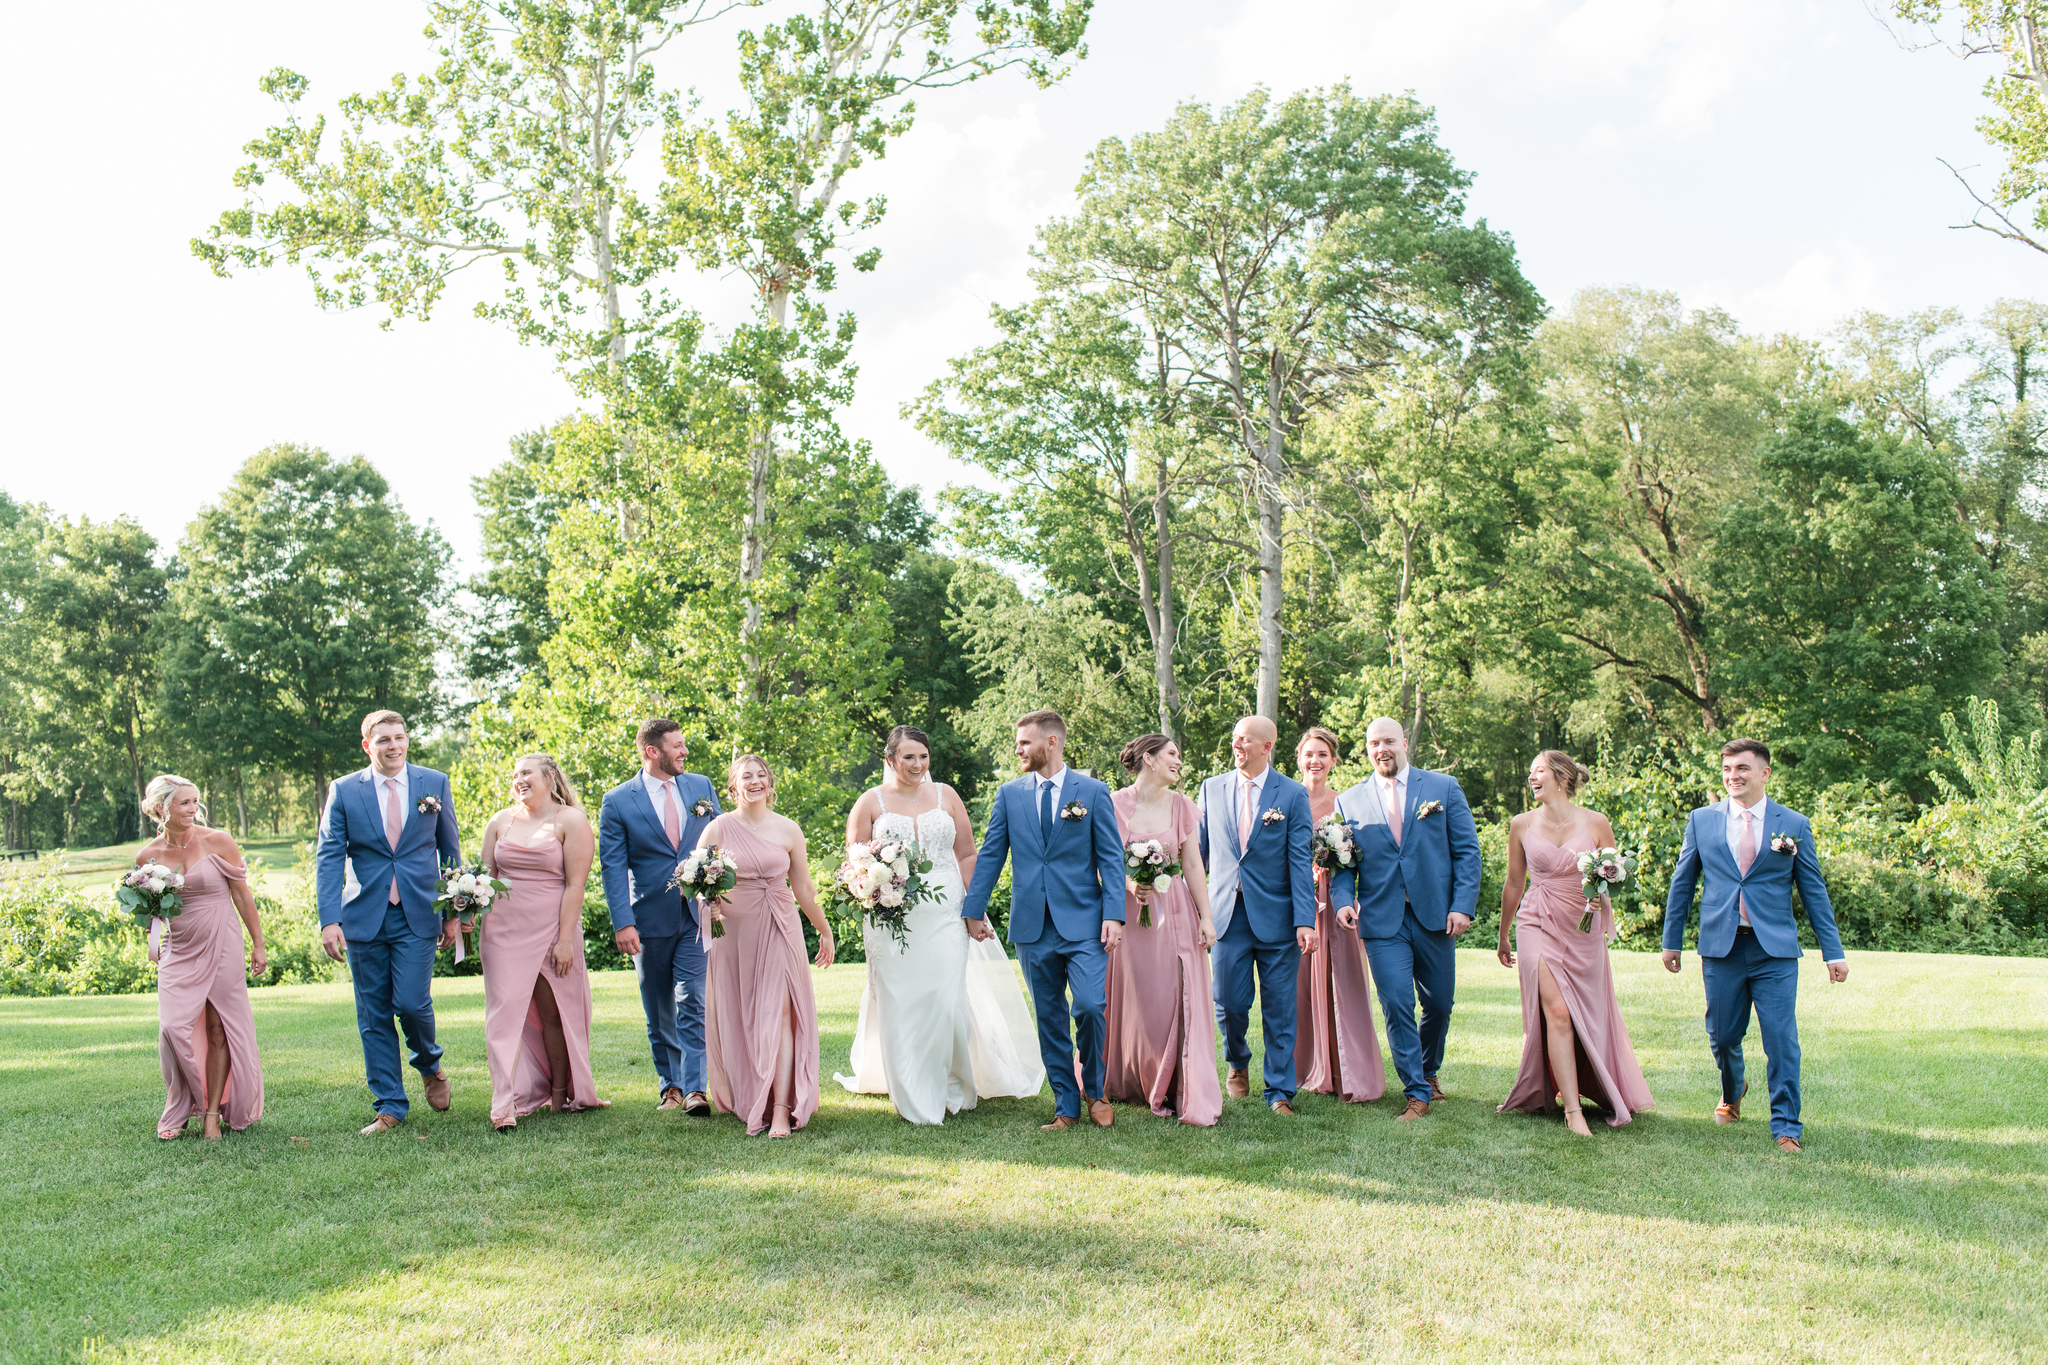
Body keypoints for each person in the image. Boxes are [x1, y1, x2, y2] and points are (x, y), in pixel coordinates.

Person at [835, 725, 1044, 1124]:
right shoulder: (870, 802)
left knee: (947, 1002)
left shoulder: (947, 795)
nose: (917, 764)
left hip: (947, 911)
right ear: (890, 759)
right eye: (908, 757)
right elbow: (854, 863)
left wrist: (975, 907)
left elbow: (967, 854)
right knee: (902, 1001)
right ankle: (912, 1090)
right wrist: (871, 889)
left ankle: (952, 1081)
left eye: (923, 756)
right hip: (892, 916)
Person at [1663, 737, 1848, 1154]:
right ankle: (1734, 1088)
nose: (1733, 777)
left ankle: (1786, 1126)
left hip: (1774, 952)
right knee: (1723, 1035)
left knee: (1781, 1039)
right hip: (1721, 947)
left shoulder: (1794, 825)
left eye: (1742, 768)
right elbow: (1683, 883)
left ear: (1764, 773)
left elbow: (1813, 891)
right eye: (1727, 770)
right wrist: (1671, 941)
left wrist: (1832, 951)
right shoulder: (1702, 820)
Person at [960, 710, 1126, 1130]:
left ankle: (1096, 1088)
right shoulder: (1009, 795)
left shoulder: (1091, 791)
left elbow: (1110, 856)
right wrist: (972, 910)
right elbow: (992, 854)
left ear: (1051, 742)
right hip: (1032, 926)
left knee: (1090, 1005)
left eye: (1024, 743)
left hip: (1085, 922)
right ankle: (1066, 1105)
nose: (1018, 750)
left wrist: (1115, 915)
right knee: (1049, 1015)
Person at [316, 710, 463, 1135]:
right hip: (363, 916)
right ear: (367, 745)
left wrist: (454, 914)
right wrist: (330, 920)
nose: (393, 746)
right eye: (383, 740)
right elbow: (329, 858)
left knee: (412, 1004)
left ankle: (429, 1065)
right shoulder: (344, 790)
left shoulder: (432, 783)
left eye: (399, 738)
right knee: (374, 1013)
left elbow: (449, 850)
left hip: (418, 912)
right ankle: (390, 1106)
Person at [1327, 717, 1481, 1121]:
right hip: (1381, 920)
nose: (1383, 749)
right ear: (1367, 749)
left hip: (1435, 916)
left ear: (1404, 743)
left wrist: (1462, 905)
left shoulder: (1443, 788)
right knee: (1397, 1003)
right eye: (1374, 743)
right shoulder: (1349, 800)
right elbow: (1343, 867)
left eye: (1389, 741)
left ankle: (1428, 1071)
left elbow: (1467, 851)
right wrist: (1343, 900)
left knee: (1440, 1004)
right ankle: (1416, 1092)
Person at [1496, 751, 1654, 1133]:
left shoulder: (1596, 822)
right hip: (1536, 919)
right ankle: (1572, 1113)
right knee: (1558, 1012)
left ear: (1562, 777)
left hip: (1582, 924)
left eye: (1539, 771)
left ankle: (1589, 1086)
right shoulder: (1520, 824)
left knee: (1587, 1012)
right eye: (1531, 772)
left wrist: (1604, 893)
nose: (1532, 777)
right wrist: (1503, 933)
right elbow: (1515, 883)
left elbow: (1613, 875)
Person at [698, 755, 836, 1137]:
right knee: (744, 1013)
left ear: (770, 784)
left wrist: (823, 929)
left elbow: (804, 888)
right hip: (736, 933)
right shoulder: (717, 829)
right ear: (733, 786)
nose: (755, 781)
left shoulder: (789, 830)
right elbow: (699, 884)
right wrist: (705, 906)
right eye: (747, 776)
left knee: (780, 1014)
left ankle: (779, 1108)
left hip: (780, 925)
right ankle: (751, 1092)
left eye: (761, 775)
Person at [475, 753, 609, 1132]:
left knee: (553, 1013)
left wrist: (565, 940)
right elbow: (486, 876)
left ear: (549, 777)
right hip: (502, 931)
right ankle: (504, 1104)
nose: (519, 779)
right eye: (515, 774)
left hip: (553, 926)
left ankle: (558, 1092)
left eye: (526, 773)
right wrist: (468, 907)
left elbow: (575, 885)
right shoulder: (500, 821)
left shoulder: (570, 820)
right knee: (503, 1014)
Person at [598, 718, 723, 1116]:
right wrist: (622, 921)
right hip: (646, 917)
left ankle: (693, 1089)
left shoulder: (701, 786)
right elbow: (613, 867)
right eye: (677, 746)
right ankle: (669, 1085)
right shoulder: (617, 800)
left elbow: (721, 840)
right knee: (658, 1007)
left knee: (693, 1000)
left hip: (695, 913)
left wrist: (719, 892)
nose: (685, 751)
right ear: (653, 752)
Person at [1196, 716, 1317, 1114]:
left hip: (1278, 916)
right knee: (1227, 1002)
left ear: (1267, 747)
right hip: (1226, 915)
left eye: (1245, 740)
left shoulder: (1293, 794)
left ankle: (1279, 1091)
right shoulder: (1211, 789)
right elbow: (1198, 857)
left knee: (1280, 1007)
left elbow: (1300, 862)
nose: (1237, 745)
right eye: (1234, 738)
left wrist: (1305, 920)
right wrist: (1192, 909)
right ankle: (1237, 1062)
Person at [139, 775, 265, 1141]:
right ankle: (182, 1104)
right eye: (184, 804)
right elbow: (152, 911)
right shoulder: (147, 856)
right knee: (172, 1028)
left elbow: (242, 895)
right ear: (162, 808)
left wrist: (258, 944)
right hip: (179, 947)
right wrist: (155, 941)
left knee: (218, 1028)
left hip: (222, 938)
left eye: (196, 802)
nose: (194, 809)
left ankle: (211, 1115)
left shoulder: (218, 841)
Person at [1105, 733, 1222, 1126]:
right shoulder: (1113, 805)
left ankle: (1175, 1081)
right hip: (1129, 916)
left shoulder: (1182, 806)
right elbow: (1102, 861)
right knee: (1137, 999)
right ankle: (1131, 1077)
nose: (1178, 761)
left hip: (1174, 913)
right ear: (1149, 759)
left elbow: (1192, 866)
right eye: (1172, 754)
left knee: (1174, 996)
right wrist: (1128, 883)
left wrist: (1206, 917)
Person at [1292, 727, 1386, 1104]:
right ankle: (1305, 1067)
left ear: (1334, 761)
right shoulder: (1284, 799)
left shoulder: (1344, 804)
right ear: (1298, 758)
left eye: (1323, 754)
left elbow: (1357, 857)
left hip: (1336, 900)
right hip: (1296, 902)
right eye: (1309, 753)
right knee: (1299, 986)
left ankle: (1349, 1068)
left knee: (1345, 980)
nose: (1315, 760)